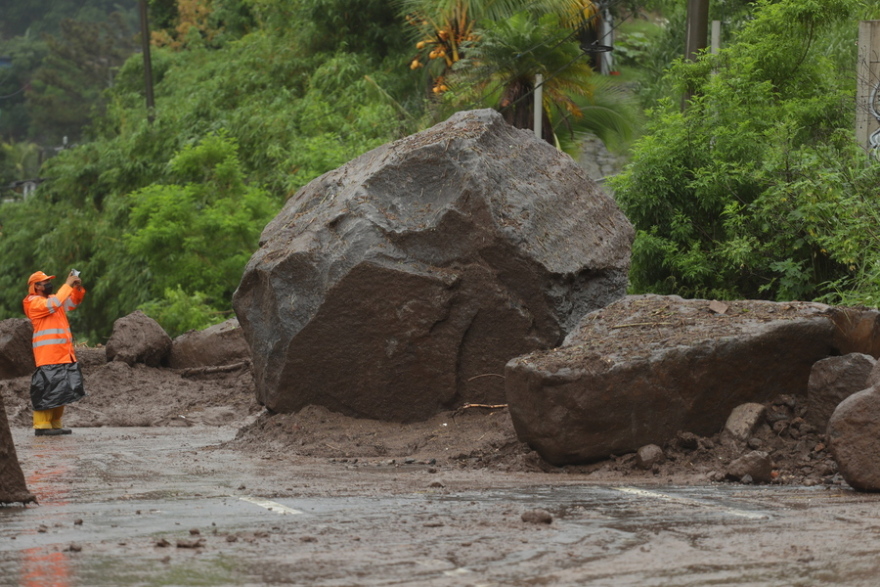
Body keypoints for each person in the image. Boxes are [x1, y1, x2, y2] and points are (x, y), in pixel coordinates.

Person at [22, 270, 87, 436]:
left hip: (63, 353)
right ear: (35, 286)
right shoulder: (33, 302)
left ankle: (55, 424)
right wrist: (68, 284)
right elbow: (56, 303)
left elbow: (72, 303)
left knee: (61, 389)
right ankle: (42, 426)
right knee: (47, 389)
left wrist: (77, 289)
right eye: (45, 282)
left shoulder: (52, 299)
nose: (48, 284)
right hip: (48, 354)